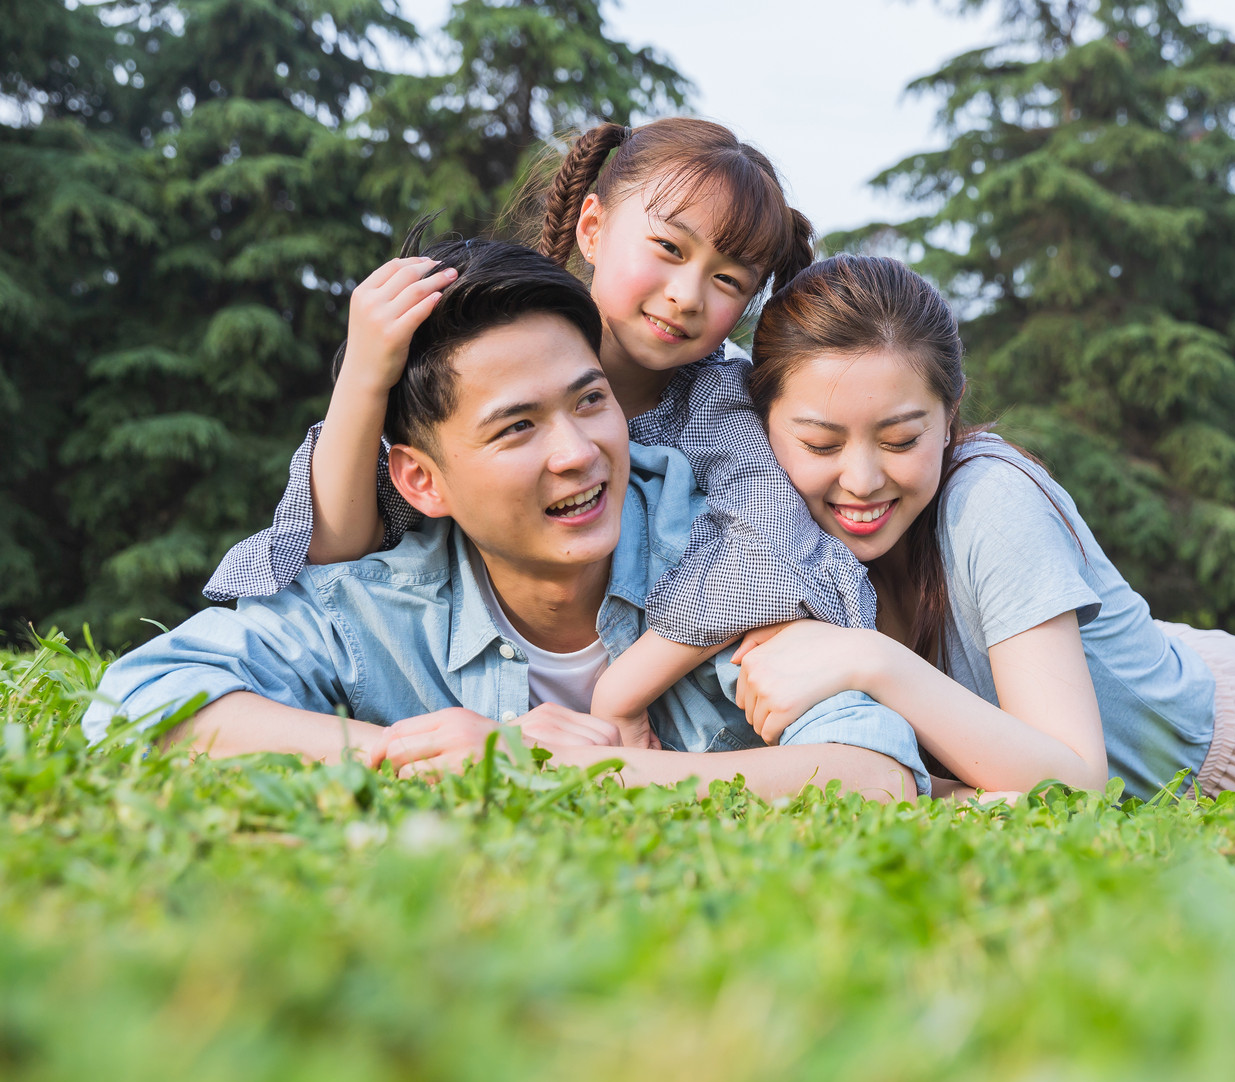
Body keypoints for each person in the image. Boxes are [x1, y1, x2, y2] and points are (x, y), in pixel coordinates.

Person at [84, 239, 928, 802]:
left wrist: (590, 769)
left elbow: (876, 770)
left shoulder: (720, 559)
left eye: (592, 401)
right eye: (518, 427)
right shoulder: (379, 604)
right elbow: (136, 703)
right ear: (420, 480)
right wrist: (437, 751)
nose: (579, 452)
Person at [720, 256, 1235, 802]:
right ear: (766, 426)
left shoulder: (989, 498)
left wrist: (870, 658)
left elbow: (1073, 784)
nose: (861, 480)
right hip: (1115, 668)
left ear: (950, 416)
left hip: (1223, 737)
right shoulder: (774, 523)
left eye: (900, 440)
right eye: (821, 443)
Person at [203, 118, 875, 752]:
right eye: (669, 249)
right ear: (592, 227)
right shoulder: (487, 347)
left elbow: (767, 538)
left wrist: (621, 691)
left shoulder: (718, 405)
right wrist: (364, 375)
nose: (687, 294)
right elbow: (336, 545)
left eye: (728, 280)